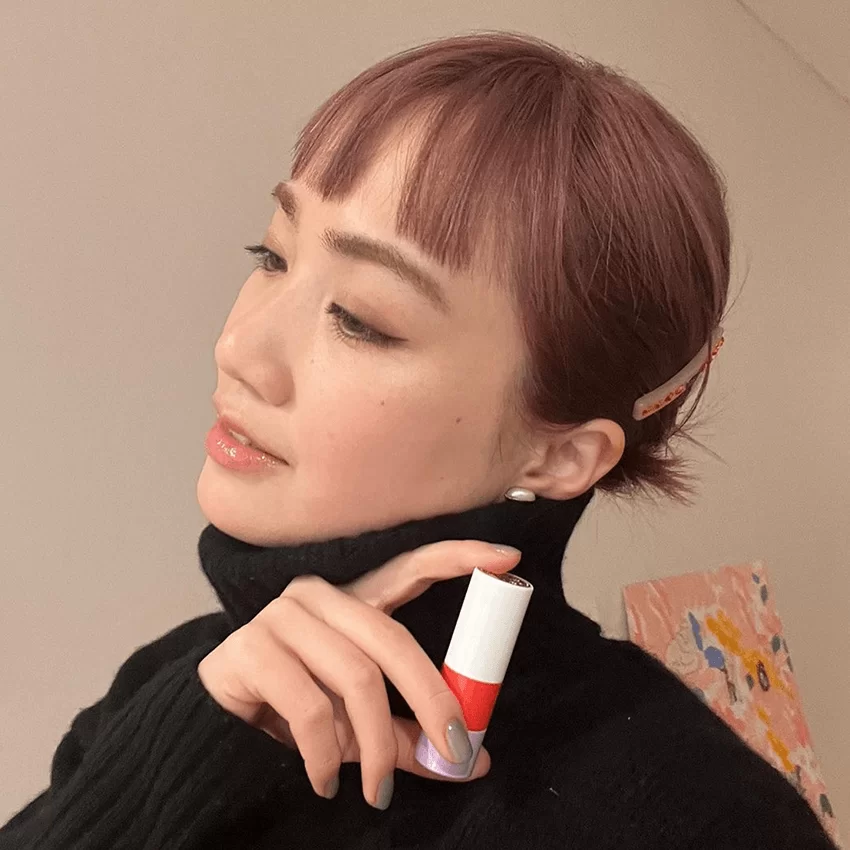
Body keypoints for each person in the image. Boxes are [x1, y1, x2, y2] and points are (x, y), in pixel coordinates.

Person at [2, 30, 836, 850]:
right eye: (273, 255)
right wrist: (173, 766)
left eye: (360, 319)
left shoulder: (700, 816)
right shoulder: (185, 680)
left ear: (560, 455)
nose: (238, 348)